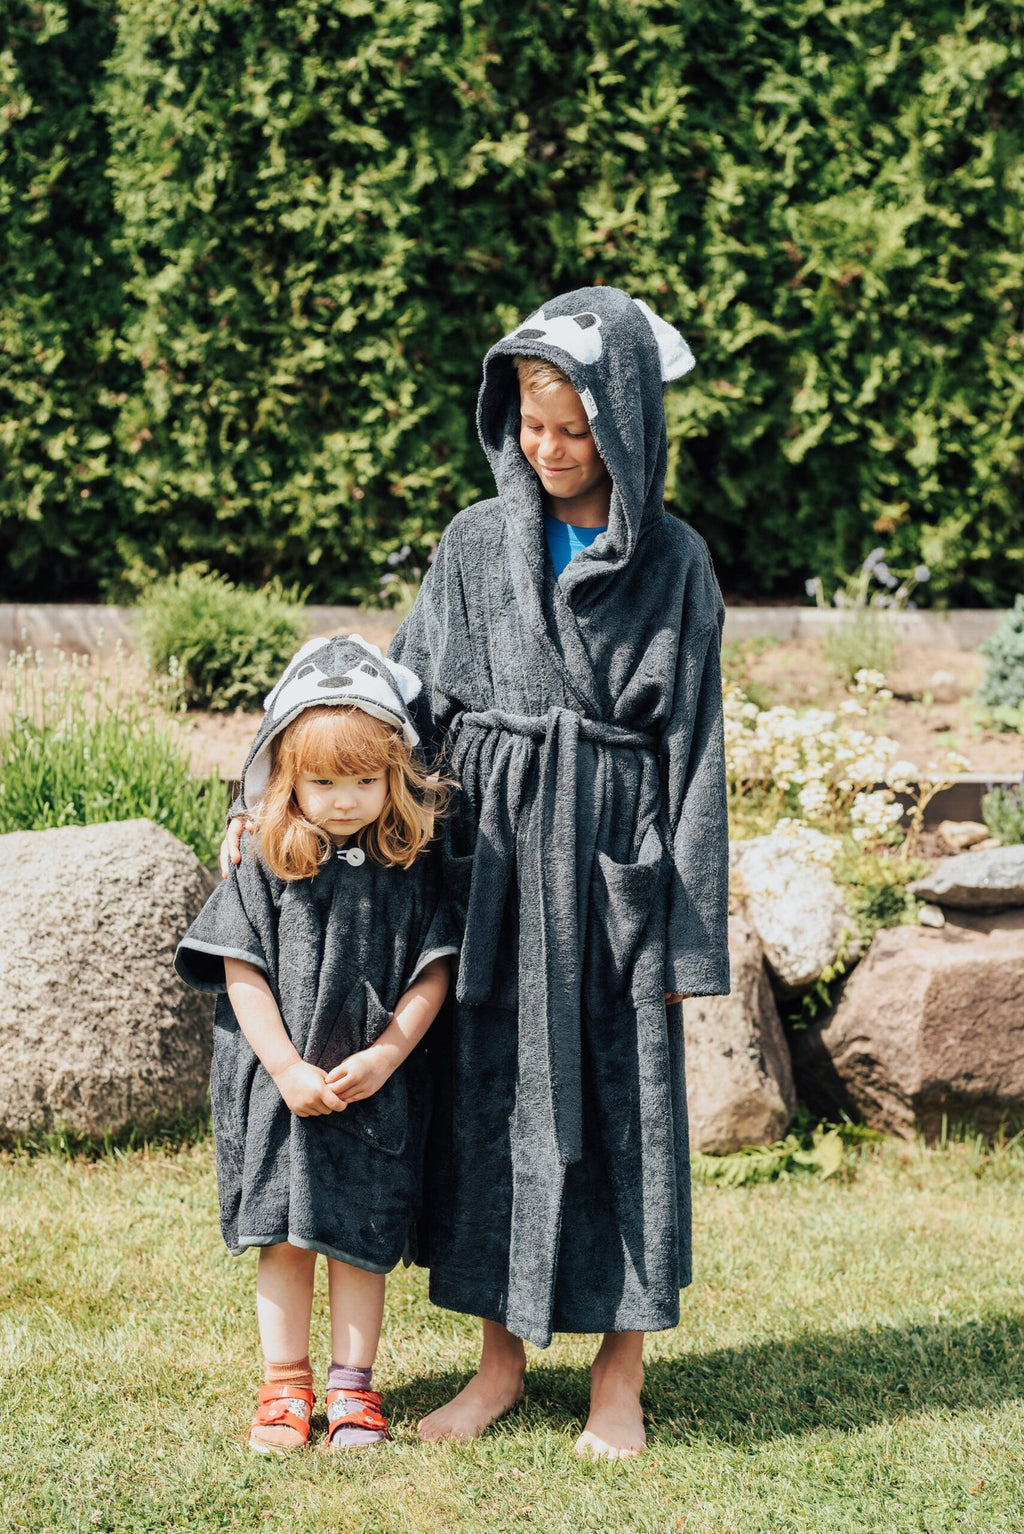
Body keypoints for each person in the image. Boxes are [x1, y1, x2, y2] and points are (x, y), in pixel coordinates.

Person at [389, 286, 730, 1458]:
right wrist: (280, 791)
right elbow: (409, 694)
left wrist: (683, 934)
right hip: (491, 861)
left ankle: (618, 1379)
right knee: (493, 1107)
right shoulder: (475, 542)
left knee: (625, 1113)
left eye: (576, 432)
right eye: (533, 425)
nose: (549, 449)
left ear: (628, 426)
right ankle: (496, 1364)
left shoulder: (675, 562)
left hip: (611, 864)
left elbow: (695, 748)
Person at [179, 634, 455, 1454]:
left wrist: (387, 1056)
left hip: (372, 1088)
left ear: (395, 776)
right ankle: (285, 1388)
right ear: (284, 776)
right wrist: (286, 1066)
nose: (342, 800)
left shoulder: (408, 870)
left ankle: (353, 1393)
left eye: (364, 781)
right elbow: (242, 973)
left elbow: (431, 977)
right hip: (279, 1088)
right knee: (285, 1233)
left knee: (359, 1236)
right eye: (323, 782)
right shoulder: (267, 865)